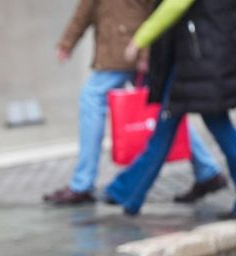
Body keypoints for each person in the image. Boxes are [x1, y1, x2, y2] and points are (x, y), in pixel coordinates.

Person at [43, 0, 227, 206]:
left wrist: (144, 47)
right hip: (127, 45)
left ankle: (87, 185)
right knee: (169, 113)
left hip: (131, 47)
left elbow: (164, 6)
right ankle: (207, 171)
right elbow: (87, 7)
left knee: (98, 98)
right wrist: (68, 42)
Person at [104, 0, 236, 217]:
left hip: (198, 63)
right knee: (178, 130)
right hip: (200, 61)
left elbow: (175, 4)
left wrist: (139, 40)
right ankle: (127, 193)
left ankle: (126, 193)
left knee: (172, 132)